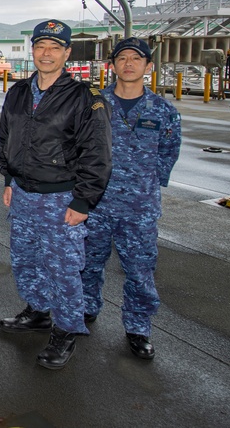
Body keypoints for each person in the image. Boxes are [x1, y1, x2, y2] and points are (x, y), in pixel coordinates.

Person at [0, 19, 112, 369]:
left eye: (54, 48)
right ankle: (38, 310)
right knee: (25, 259)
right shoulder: (17, 92)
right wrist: (7, 179)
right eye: (40, 46)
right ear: (32, 50)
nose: (46, 54)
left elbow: (98, 154)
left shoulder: (84, 97)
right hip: (23, 193)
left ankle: (66, 330)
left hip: (61, 198)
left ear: (65, 53)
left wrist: (82, 201)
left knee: (63, 267)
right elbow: (6, 139)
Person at [81, 36, 181, 360]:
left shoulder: (163, 111)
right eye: (122, 58)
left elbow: (169, 150)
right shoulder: (94, 104)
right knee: (87, 264)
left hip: (139, 209)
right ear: (112, 65)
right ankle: (86, 309)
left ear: (148, 67)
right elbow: (78, 148)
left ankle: (138, 328)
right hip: (96, 204)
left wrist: (149, 182)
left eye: (136, 59)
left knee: (140, 272)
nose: (128, 63)